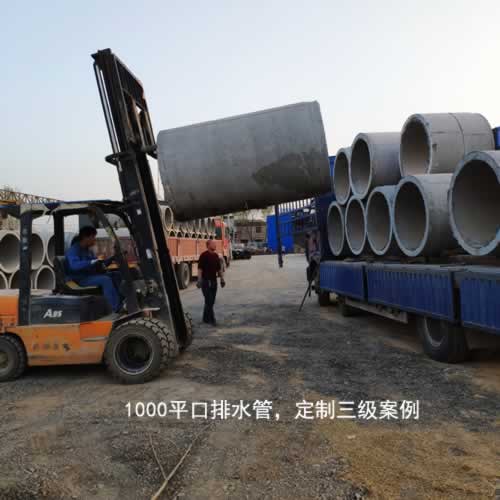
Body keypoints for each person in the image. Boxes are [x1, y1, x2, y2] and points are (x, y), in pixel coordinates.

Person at [65, 226, 122, 312]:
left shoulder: (87, 250)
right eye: (93, 237)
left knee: (117, 275)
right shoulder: (74, 250)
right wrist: (91, 262)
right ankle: (115, 308)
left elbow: (97, 263)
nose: (94, 240)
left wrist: (112, 258)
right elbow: (74, 265)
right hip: (80, 279)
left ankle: (122, 302)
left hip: (90, 276)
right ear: (85, 237)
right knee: (105, 280)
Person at [196, 239, 225, 326]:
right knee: (209, 300)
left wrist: (222, 279)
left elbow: (219, 269)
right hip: (206, 282)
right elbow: (200, 269)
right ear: (208, 245)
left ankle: (205, 319)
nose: (215, 245)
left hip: (214, 282)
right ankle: (212, 320)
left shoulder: (216, 256)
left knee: (211, 301)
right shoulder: (204, 255)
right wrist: (199, 280)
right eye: (213, 244)